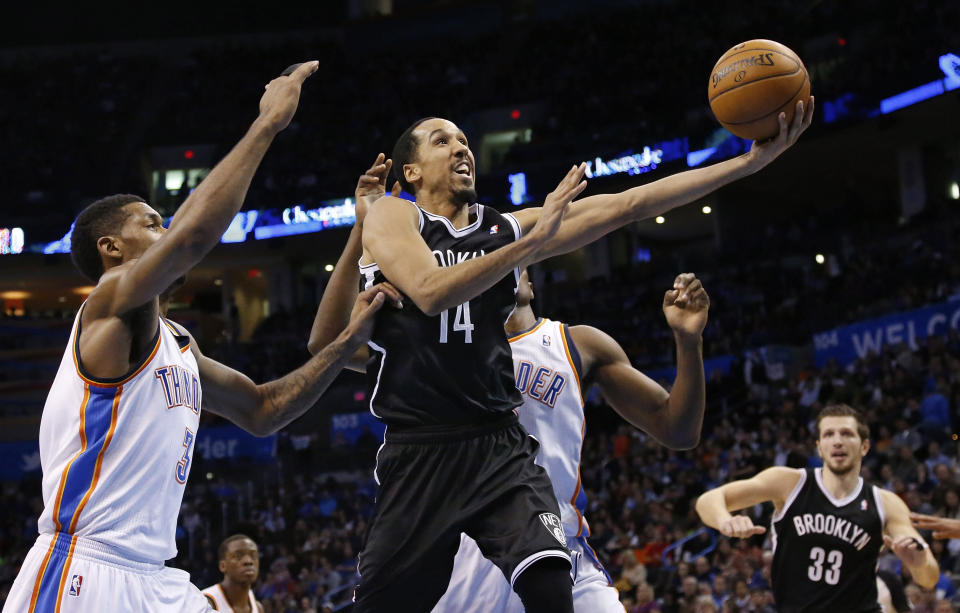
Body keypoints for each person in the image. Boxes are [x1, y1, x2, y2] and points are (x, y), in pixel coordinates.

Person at [311, 102, 812, 612]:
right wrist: (532, 241)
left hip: (495, 445)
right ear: (410, 171)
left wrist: (747, 164)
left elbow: (629, 204)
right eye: (442, 140)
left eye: (464, 139)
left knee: (552, 582)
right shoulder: (399, 214)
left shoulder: (508, 238)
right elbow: (427, 291)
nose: (461, 147)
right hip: (421, 452)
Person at [2, 62, 397, 613]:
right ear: (111, 248)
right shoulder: (109, 304)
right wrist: (266, 126)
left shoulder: (179, 343)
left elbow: (264, 409)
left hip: (156, 577)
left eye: (163, 222)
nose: (164, 231)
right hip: (84, 570)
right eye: (150, 222)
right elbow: (191, 240)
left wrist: (348, 334)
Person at [431, 268, 708, 612]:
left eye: (510, 263)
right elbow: (342, 341)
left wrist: (688, 341)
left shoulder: (579, 344)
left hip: (561, 546)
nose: (499, 270)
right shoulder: (440, 354)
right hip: (472, 558)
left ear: (529, 285)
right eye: (486, 264)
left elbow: (678, 430)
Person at [695, 404, 939, 612]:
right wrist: (725, 520)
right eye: (829, 435)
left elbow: (929, 577)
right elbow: (708, 500)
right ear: (820, 447)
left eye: (846, 434)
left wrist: (917, 563)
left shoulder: (886, 503)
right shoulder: (789, 483)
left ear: (864, 447)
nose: (838, 441)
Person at [202, 535, 264, 613]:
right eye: (238, 556)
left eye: (253, 556)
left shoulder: (258, 608)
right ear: (222, 566)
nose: (248, 561)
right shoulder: (205, 603)